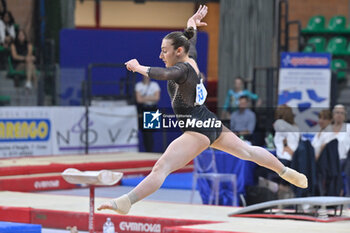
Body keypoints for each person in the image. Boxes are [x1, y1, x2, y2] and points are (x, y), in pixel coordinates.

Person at [98, 5, 307, 215]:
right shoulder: (191, 57)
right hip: (208, 121)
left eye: (164, 50)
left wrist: (139, 67)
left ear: (178, 51)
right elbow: (191, 38)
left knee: (161, 168)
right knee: (247, 151)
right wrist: (191, 23)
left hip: (196, 128)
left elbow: (162, 74)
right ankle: (285, 171)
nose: (161, 55)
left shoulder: (182, 70)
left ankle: (126, 201)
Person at [135, 75, 161, 152]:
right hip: (143, 109)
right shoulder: (138, 85)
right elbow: (139, 100)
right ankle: (147, 150)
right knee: (145, 131)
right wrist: (150, 97)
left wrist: (144, 98)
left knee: (150, 131)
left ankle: (150, 150)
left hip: (152, 109)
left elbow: (157, 98)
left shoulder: (154, 85)